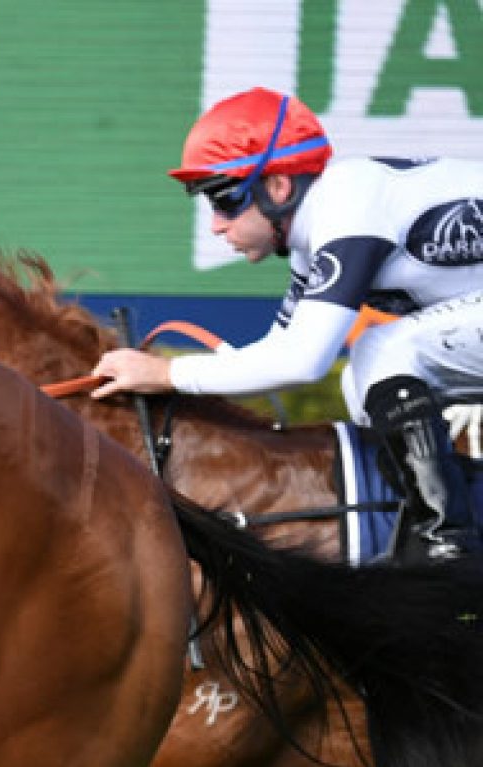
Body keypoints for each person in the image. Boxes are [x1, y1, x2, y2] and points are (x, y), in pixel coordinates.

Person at [92, 86, 483, 563]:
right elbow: (281, 347)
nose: (217, 224)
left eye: (225, 200)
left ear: (278, 186)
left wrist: (164, 374)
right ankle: (455, 526)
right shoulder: (315, 237)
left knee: (383, 353)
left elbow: (303, 361)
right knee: (366, 390)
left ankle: (449, 555)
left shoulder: (346, 201)